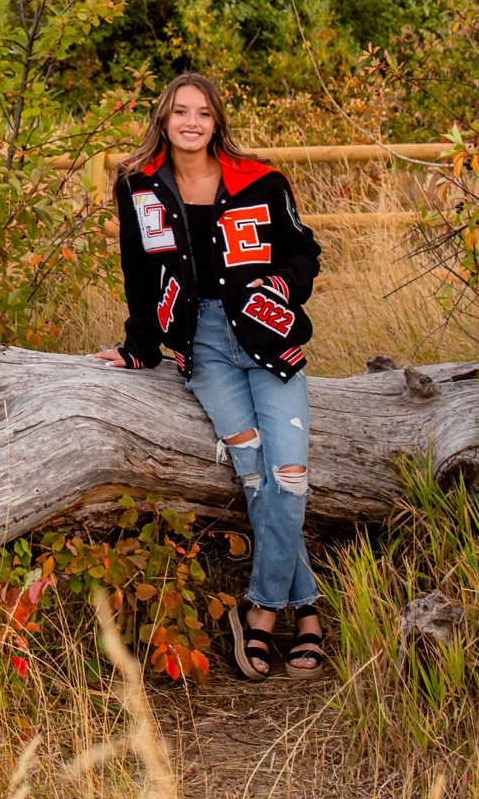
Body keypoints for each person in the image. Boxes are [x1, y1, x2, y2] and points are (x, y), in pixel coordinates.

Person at [92, 72, 326, 680]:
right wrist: (140, 348)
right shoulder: (138, 185)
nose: (191, 122)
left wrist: (283, 283)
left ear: (216, 120)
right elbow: (138, 269)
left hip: (267, 334)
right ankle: (309, 616)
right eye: (179, 112)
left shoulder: (261, 180)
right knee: (254, 476)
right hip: (201, 344)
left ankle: (264, 613)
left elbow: (305, 251)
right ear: (163, 119)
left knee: (290, 476)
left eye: (202, 113)